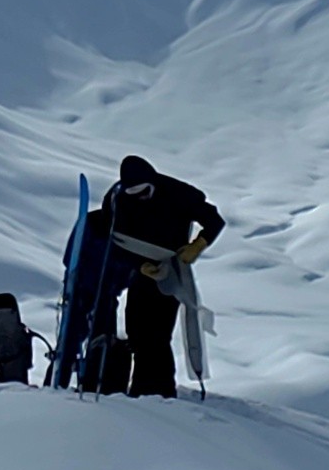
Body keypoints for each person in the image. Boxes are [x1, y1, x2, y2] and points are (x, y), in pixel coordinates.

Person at [54, 155, 224, 396]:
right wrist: (138, 264)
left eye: (144, 191)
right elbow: (113, 240)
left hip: (171, 268)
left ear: (152, 182)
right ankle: (140, 391)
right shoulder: (117, 199)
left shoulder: (178, 193)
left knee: (157, 333)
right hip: (140, 268)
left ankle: (160, 391)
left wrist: (197, 245)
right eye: (134, 193)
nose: (140, 197)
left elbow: (214, 220)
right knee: (137, 329)